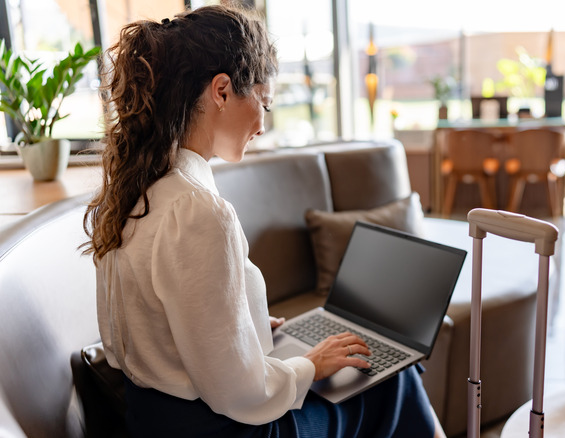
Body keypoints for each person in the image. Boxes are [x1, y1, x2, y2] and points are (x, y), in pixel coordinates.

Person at [82, 5, 446, 438]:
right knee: (391, 378)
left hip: (152, 420)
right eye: (265, 103)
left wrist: (248, 327)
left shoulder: (131, 193)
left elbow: (137, 341)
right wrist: (310, 364)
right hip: (220, 429)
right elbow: (240, 395)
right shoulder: (198, 210)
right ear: (221, 91)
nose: (263, 124)